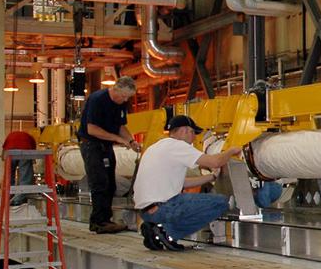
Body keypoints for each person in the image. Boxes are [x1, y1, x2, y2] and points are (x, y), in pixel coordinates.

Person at [132, 115, 239, 250]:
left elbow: (181, 183)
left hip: (147, 212)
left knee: (193, 200)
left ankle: (156, 230)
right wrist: (231, 151)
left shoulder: (156, 147)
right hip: (163, 208)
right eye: (193, 133)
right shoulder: (178, 146)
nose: (194, 138)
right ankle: (168, 232)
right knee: (221, 202)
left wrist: (211, 177)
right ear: (184, 131)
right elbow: (215, 162)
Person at [78, 76, 140, 233]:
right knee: (99, 182)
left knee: (110, 183)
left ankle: (106, 219)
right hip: (92, 145)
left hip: (105, 146)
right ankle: (98, 222)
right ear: (115, 88)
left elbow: (120, 126)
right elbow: (92, 129)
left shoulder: (121, 104)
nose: (125, 99)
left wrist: (131, 141)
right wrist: (118, 139)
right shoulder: (97, 100)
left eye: (128, 97)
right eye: (123, 96)